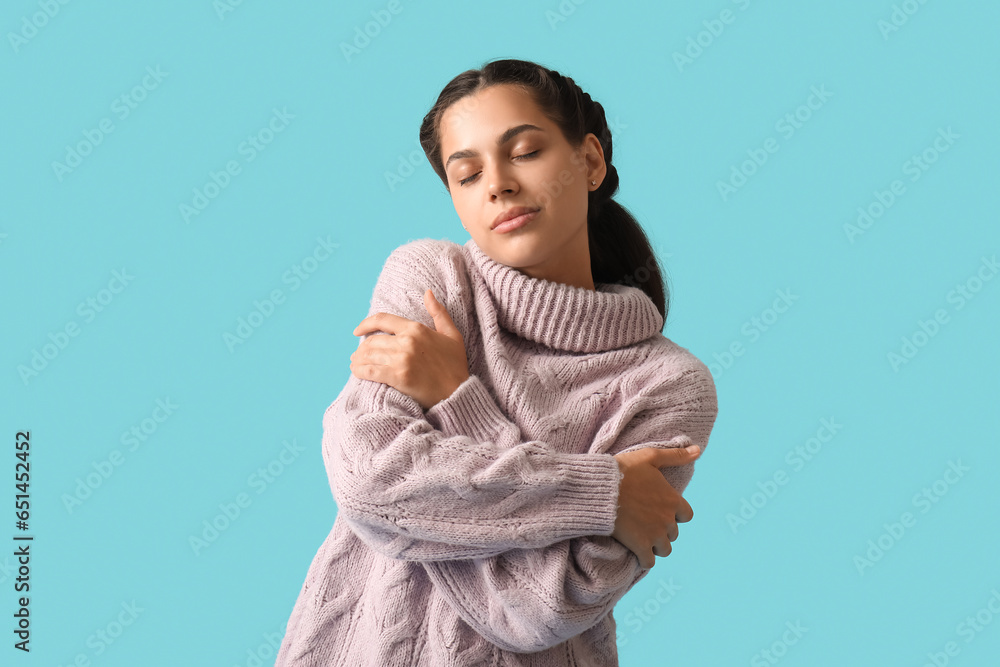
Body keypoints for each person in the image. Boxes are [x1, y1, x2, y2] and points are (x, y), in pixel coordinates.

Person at [275, 58, 719, 666]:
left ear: (589, 162)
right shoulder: (430, 281)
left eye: (526, 152)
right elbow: (369, 480)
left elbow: (542, 607)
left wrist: (455, 400)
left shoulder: (668, 385)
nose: (498, 184)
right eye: (467, 173)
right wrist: (604, 493)